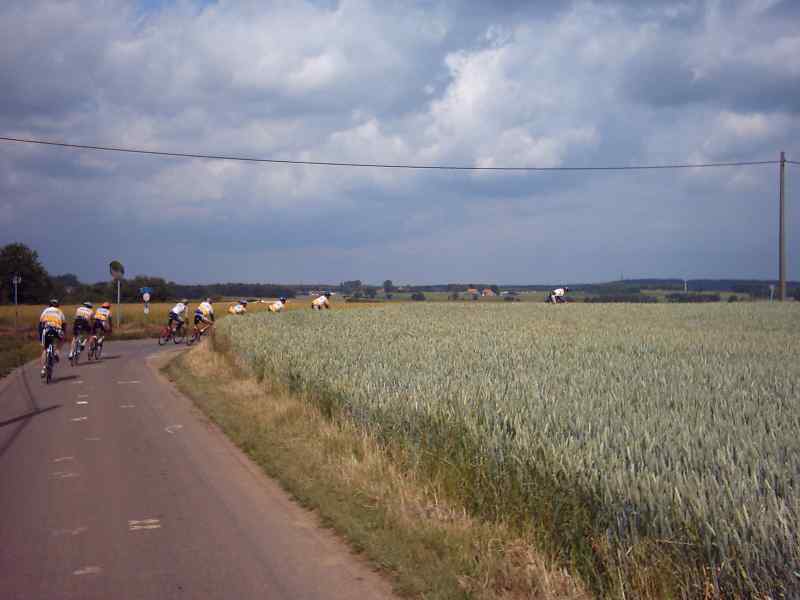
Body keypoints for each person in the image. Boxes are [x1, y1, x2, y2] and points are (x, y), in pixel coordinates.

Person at [38, 299, 66, 378]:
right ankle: (56, 352)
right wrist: (63, 333)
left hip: (46, 330)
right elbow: (64, 324)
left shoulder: (45, 311)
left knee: (44, 349)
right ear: (57, 306)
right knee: (61, 340)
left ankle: (43, 369)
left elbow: (40, 324)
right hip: (56, 329)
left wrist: (40, 336)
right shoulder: (60, 311)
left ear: (49, 305)